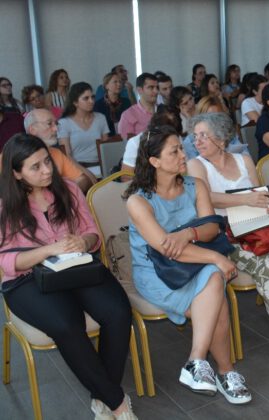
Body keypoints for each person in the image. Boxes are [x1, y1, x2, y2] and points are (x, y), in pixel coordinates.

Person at [0, 134, 137, 419]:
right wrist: (48, 250)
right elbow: (6, 260)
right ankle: (117, 403)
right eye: (35, 167)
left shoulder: (70, 190)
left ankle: (102, 396)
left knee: (118, 311)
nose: (47, 170)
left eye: (47, 161)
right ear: (16, 173)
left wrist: (83, 243)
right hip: (26, 280)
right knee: (66, 323)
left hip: (76, 268)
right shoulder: (5, 206)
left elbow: (92, 233)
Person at [124, 125, 251, 404]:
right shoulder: (138, 201)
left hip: (196, 262)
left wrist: (187, 233)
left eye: (182, 148)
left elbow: (210, 230)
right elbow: (166, 250)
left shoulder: (196, 186)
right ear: (155, 161)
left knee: (213, 279)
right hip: (157, 273)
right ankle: (225, 371)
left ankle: (197, 363)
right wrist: (217, 257)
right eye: (176, 150)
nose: (184, 154)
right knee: (216, 284)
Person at [185, 113, 269, 351]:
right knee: (266, 266)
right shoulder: (196, 164)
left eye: (203, 136)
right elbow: (203, 196)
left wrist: (267, 203)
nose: (197, 142)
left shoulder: (243, 160)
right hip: (226, 235)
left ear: (221, 137)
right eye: (195, 136)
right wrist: (245, 198)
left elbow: (261, 192)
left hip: (259, 227)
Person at [24, 109, 97, 193]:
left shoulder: (56, 153)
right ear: (33, 130)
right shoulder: (19, 156)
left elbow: (82, 179)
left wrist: (65, 195)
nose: (56, 129)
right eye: (49, 124)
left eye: (56, 124)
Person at [58, 82, 109, 167]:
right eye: (86, 98)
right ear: (75, 102)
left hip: (100, 164)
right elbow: (67, 155)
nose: (91, 101)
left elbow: (106, 148)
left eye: (92, 97)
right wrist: (85, 173)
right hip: (77, 166)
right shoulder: (64, 123)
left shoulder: (100, 118)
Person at [121, 107, 184, 175]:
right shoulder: (135, 143)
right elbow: (126, 177)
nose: (183, 155)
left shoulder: (176, 138)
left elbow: (184, 167)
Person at [118, 73, 158, 140]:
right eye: (151, 87)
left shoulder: (164, 111)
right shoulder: (128, 115)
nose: (156, 91)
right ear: (140, 90)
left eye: (157, 88)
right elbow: (128, 145)